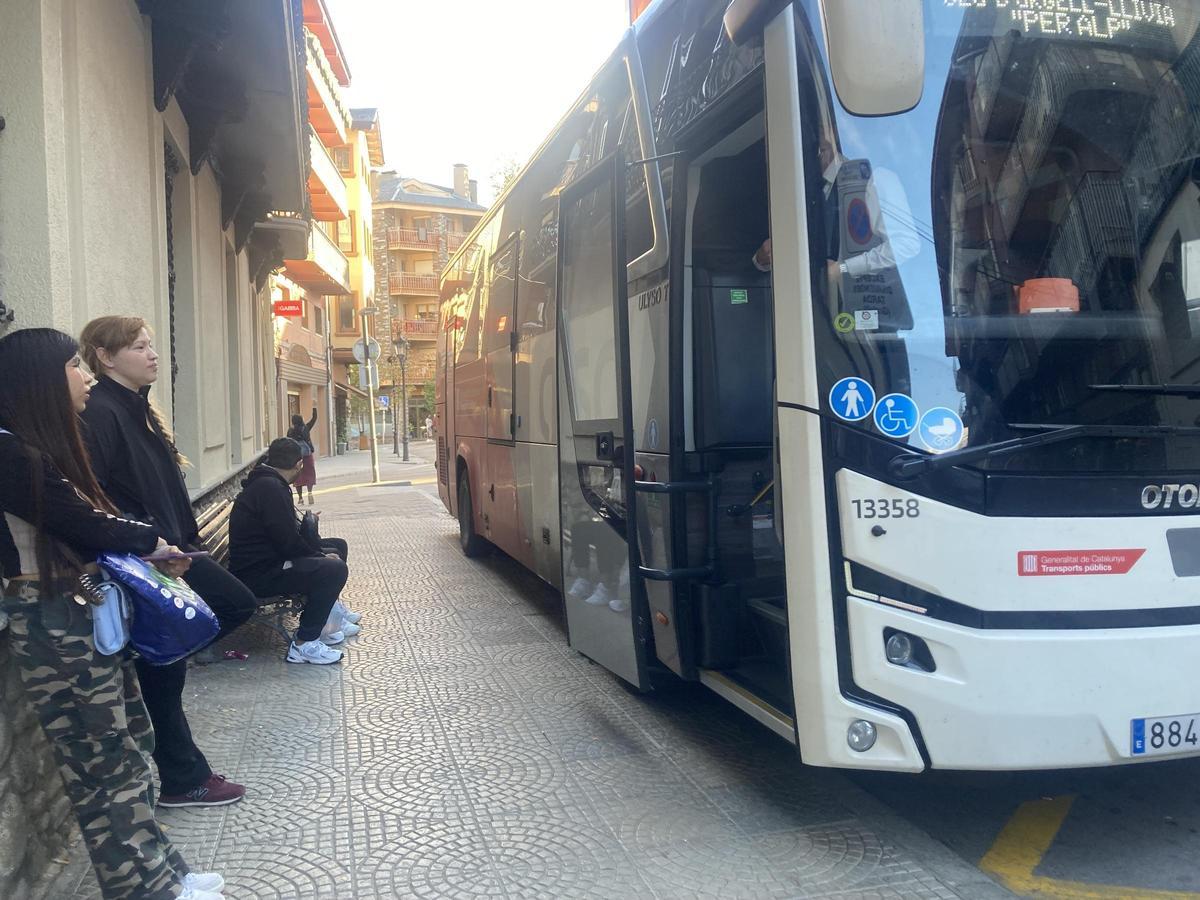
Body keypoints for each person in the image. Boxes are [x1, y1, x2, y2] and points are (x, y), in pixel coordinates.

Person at [0, 328, 226, 900]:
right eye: (76, 366)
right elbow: (86, 523)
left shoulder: (37, 447)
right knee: (102, 759)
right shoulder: (9, 452)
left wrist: (142, 545)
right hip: (51, 618)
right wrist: (150, 540)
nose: (87, 377)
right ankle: (144, 888)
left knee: (127, 748)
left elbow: (89, 519)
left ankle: (160, 871)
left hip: (80, 611)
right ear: (40, 381)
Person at [78, 316, 252, 809]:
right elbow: (97, 495)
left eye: (151, 345)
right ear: (106, 357)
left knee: (198, 635)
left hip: (173, 548)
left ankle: (180, 764)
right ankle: (182, 775)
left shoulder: (136, 407)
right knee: (220, 614)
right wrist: (145, 542)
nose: (152, 354)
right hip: (149, 555)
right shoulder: (102, 412)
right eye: (138, 347)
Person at [229, 438, 350, 665]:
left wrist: (315, 544)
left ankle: (328, 620)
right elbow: (287, 543)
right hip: (260, 575)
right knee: (334, 569)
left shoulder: (268, 483)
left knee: (338, 546)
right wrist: (320, 556)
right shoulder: (271, 488)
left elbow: (284, 536)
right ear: (298, 465)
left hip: (267, 563)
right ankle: (305, 643)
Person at [286, 410, 318, 505]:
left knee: (297, 475)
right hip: (307, 454)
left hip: (296, 456)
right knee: (310, 472)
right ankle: (310, 493)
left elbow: (288, 441)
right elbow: (314, 419)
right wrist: (314, 409)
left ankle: (300, 498)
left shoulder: (290, 430)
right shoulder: (306, 428)